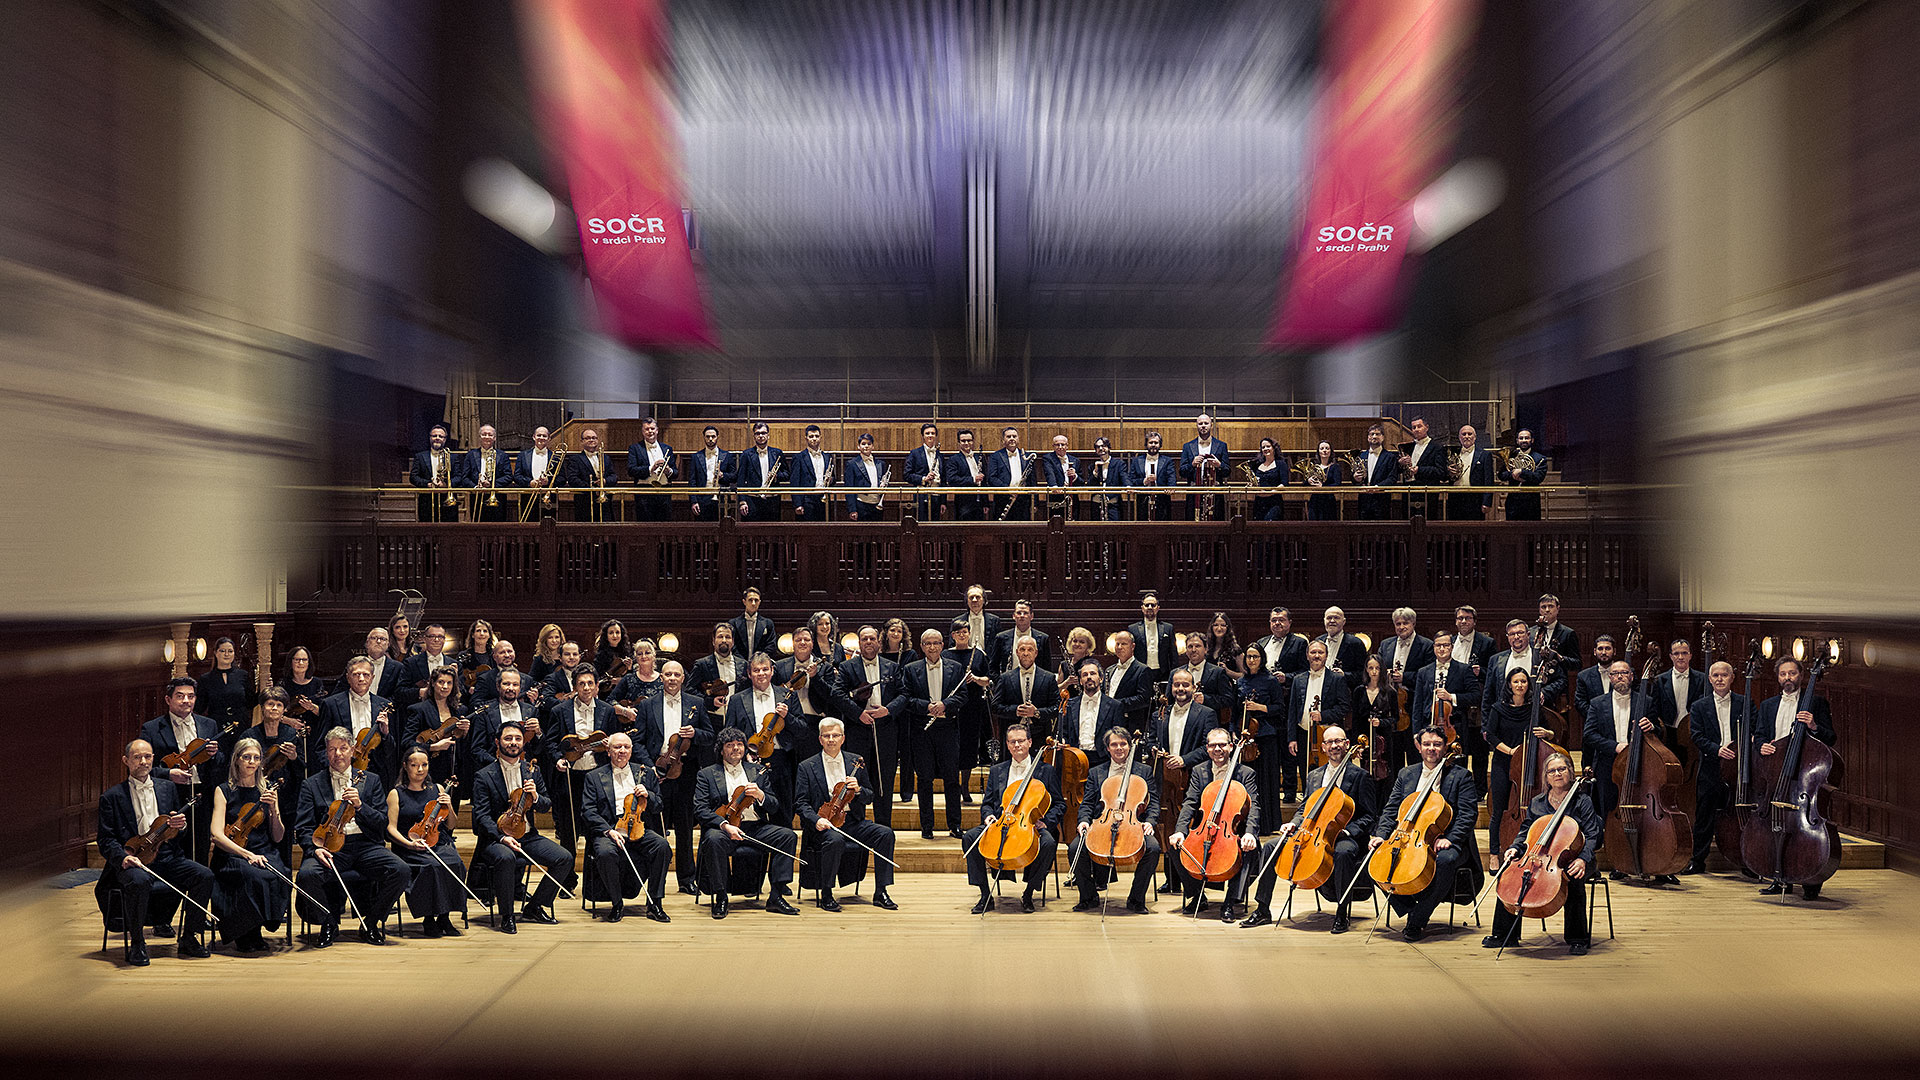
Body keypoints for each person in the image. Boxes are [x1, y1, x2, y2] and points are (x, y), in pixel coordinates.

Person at [1243, 725, 1377, 931]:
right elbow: (1305, 808)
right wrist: (1293, 823)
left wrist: (1348, 831)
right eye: (1329, 742)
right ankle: (1262, 910)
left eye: (1338, 741)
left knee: (1343, 852)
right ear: (1323, 747)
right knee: (1270, 846)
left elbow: (1369, 816)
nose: (1334, 746)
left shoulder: (1360, 776)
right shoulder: (1314, 775)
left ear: (1347, 744)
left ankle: (1342, 913)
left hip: (1344, 835)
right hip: (1312, 832)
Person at [97, 738, 218, 966]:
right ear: (126, 761)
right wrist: (124, 858)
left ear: (153, 758)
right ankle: (137, 943)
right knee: (139, 880)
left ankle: (189, 937)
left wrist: (179, 826)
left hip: (166, 857)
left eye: (147, 756)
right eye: (137, 757)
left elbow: (174, 832)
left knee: (204, 875)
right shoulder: (112, 796)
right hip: (134, 860)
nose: (143, 761)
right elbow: (105, 840)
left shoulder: (167, 788)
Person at [294, 727, 408, 947]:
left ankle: (371, 923)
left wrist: (360, 806)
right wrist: (315, 849)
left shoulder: (371, 780)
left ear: (353, 750)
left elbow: (381, 823)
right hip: (330, 848)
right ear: (326, 753)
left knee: (401, 870)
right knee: (307, 875)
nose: (338, 754)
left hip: (365, 846)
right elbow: (303, 827)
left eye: (343, 748)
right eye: (332, 749)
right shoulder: (312, 784)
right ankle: (329, 923)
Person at [1370, 726, 1481, 941]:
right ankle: (1411, 908)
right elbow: (1391, 809)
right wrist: (1381, 835)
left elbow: (1468, 814)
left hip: (1447, 839)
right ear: (1418, 747)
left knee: (1445, 860)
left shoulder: (1461, 776)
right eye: (1427, 744)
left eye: (1437, 744)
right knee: (1374, 859)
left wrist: (1451, 839)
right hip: (1409, 837)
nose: (1431, 748)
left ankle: (1418, 920)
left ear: (1445, 747)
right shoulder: (1406, 774)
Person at [1484, 752, 1597, 954]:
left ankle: (1577, 938)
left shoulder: (1582, 801)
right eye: (1552, 771)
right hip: (1540, 856)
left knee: (1573, 877)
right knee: (1509, 876)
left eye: (1562, 769)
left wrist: (1582, 859)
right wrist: (1514, 847)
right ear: (1546, 777)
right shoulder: (1537, 802)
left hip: (1574, 857)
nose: (1557, 774)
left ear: (1570, 772)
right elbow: (1526, 831)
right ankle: (1504, 935)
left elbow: (1592, 835)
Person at [469, 721, 571, 933]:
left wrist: (535, 796)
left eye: (517, 738)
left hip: (527, 835)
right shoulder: (484, 775)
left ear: (523, 742)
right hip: (496, 838)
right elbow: (481, 816)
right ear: (497, 742)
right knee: (506, 858)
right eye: (508, 738)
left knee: (564, 858)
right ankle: (507, 915)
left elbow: (546, 805)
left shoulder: (532, 771)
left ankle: (535, 907)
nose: (513, 743)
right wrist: (501, 837)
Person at [1753, 657, 1837, 899]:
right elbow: (1759, 735)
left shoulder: (1816, 703)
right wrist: (1762, 745)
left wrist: (1814, 726)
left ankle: (1810, 880)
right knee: (1775, 825)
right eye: (1783, 674)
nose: (1787, 678)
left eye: (1792, 673)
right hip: (1776, 773)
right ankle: (1779, 877)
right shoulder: (1768, 705)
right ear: (1777, 677)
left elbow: (1830, 738)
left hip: (1804, 774)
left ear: (1801, 675)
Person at [695, 727, 801, 918]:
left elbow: (774, 806)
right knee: (712, 839)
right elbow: (700, 809)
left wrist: (761, 795)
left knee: (787, 836)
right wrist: (725, 825)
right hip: (724, 828)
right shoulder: (707, 774)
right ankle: (721, 897)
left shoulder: (757, 771)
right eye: (730, 745)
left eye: (739, 744)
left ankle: (776, 896)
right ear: (721, 750)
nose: (736, 748)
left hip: (755, 828)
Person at [796, 718, 898, 911]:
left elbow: (870, 796)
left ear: (843, 738)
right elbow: (800, 803)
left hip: (852, 821)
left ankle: (881, 891)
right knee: (835, 840)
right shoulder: (806, 766)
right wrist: (817, 820)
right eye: (826, 736)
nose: (831, 739)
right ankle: (827, 893)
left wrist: (858, 790)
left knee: (885, 834)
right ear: (820, 739)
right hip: (824, 824)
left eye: (835, 735)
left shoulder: (855, 762)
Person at [964, 723, 1063, 914]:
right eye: (1012, 742)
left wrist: (1045, 822)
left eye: (1021, 741)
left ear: (1030, 742)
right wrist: (988, 816)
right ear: (1007, 745)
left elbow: (1059, 804)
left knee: (1048, 843)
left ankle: (1029, 892)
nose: (1017, 745)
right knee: (970, 837)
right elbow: (987, 803)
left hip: (1031, 824)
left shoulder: (1046, 770)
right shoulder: (997, 770)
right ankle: (985, 895)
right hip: (1001, 823)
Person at [1168, 726, 1260, 920]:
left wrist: (1250, 833)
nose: (1218, 749)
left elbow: (1254, 806)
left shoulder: (1246, 773)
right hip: (1206, 827)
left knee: (1249, 849)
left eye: (1222, 745)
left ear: (1231, 747)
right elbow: (1190, 802)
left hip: (1234, 829)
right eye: (1213, 745)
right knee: (1176, 847)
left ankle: (1230, 901)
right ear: (1207, 748)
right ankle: (1197, 895)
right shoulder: (1199, 771)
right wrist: (1180, 831)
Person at [208, 738, 290, 953]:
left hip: (263, 851)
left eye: (256, 758)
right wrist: (246, 854)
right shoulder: (224, 790)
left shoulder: (267, 790)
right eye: (246, 757)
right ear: (236, 760)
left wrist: (273, 810)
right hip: (232, 854)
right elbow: (216, 834)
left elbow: (278, 836)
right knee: (252, 875)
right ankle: (244, 932)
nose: (252, 762)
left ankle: (257, 929)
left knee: (280, 873)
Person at [579, 731, 672, 923]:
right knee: (605, 852)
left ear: (631, 750)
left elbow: (659, 806)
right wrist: (608, 831)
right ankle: (616, 903)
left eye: (626, 747)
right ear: (608, 751)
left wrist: (649, 795)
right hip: (610, 829)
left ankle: (655, 903)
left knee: (662, 846)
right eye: (617, 747)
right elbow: (588, 811)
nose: (622, 750)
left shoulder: (645, 773)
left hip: (638, 828)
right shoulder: (593, 777)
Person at [632, 659, 708, 893]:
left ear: (683, 678)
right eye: (668, 674)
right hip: (658, 773)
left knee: (685, 827)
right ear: (661, 678)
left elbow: (710, 736)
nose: (672, 678)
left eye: (676, 674)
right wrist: (650, 767)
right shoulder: (648, 705)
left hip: (686, 773)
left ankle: (687, 879)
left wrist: (695, 733)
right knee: (656, 827)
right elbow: (638, 741)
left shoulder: (697, 703)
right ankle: (657, 880)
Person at [1069, 726, 1161, 913]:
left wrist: (1150, 822)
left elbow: (1153, 803)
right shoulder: (1096, 772)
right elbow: (1087, 803)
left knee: (1153, 848)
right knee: (1074, 848)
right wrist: (1084, 821)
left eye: (1123, 744)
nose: (1119, 748)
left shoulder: (1144, 771)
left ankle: (1136, 899)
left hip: (1134, 824)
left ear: (1129, 746)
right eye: (1114, 745)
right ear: (1107, 748)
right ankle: (1088, 896)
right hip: (1103, 823)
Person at [1581, 660, 1659, 874]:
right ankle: (1618, 862)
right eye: (1615, 674)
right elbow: (1589, 735)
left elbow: (1659, 733)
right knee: (1611, 813)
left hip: (1640, 765)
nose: (1620, 677)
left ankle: (1647, 858)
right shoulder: (1597, 703)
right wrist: (1615, 746)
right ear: (1610, 678)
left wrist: (1652, 727)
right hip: (1609, 765)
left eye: (1624, 672)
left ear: (1632, 676)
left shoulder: (1646, 701)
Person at [544, 665, 620, 881]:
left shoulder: (607, 710)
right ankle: (567, 879)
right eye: (581, 684)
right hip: (571, 777)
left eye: (590, 683)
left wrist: (609, 745)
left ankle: (593, 880)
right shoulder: (560, 710)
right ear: (575, 686)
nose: (586, 688)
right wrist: (558, 759)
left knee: (596, 829)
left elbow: (616, 740)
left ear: (597, 686)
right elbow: (551, 742)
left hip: (598, 778)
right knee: (569, 831)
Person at [140, 676, 226, 864]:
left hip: (201, 794)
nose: (186, 701)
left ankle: (199, 882)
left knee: (201, 845)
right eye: (180, 696)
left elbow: (220, 763)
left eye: (191, 696)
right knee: (172, 846)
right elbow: (143, 767)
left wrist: (214, 755)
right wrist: (169, 774)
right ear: (168, 699)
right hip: (170, 795)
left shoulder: (209, 724)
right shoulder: (152, 728)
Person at [384, 747, 466, 938]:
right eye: (414, 765)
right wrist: (409, 844)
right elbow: (391, 828)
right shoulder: (396, 793)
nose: (420, 769)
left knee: (455, 863)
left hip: (437, 842)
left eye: (424, 765)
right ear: (405, 766)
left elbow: (451, 824)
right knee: (431, 866)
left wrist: (449, 806)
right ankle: (428, 918)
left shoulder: (437, 789)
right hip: (410, 845)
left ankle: (444, 917)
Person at [834, 625, 908, 828]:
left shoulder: (892, 667)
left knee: (884, 781)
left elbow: (904, 694)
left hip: (885, 731)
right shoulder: (847, 667)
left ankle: (883, 828)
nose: (868, 642)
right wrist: (858, 714)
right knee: (856, 780)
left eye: (872, 639)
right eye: (864, 639)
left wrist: (888, 710)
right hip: (857, 731)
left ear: (878, 642)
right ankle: (857, 826)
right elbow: (837, 694)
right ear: (859, 643)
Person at [1686, 660, 1752, 876]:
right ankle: (1698, 861)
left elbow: (1754, 730)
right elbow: (1697, 736)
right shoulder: (1699, 706)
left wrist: (1739, 747)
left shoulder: (1745, 703)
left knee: (1741, 813)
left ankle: (1746, 861)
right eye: (1715, 675)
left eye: (1724, 675)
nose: (1720, 679)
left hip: (1738, 766)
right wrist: (1717, 750)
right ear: (1710, 679)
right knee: (1704, 815)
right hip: (1711, 766)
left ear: (1732, 678)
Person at [723, 652, 807, 821]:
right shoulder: (737, 699)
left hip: (781, 759)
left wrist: (787, 717)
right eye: (756, 670)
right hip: (750, 760)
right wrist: (744, 753)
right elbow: (729, 733)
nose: (761, 673)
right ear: (749, 674)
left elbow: (803, 730)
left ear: (772, 671)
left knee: (783, 812)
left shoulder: (787, 695)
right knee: (753, 812)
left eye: (765, 669)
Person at [904, 629, 968, 839]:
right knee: (924, 779)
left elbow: (963, 696)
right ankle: (927, 826)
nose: (932, 647)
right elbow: (906, 698)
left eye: (936, 643)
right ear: (921, 647)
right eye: (927, 643)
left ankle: (955, 825)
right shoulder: (911, 669)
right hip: (922, 731)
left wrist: (945, 704)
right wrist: (927, 706)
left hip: (947, 729)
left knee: (952, 779)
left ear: (942, 645)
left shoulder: (955, 668)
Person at [1483, 666, 1554, 855]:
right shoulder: (1498, 708)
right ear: (1509, 685)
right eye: (1516, 681)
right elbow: (1490, 735)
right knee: (1499, 810)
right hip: (1503, 763)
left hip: (1528, 765)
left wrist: (1547, 733)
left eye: (1523, 681)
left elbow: (1551, 732)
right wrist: (1511, 751)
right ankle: (1494, 853)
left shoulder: (1534, 709)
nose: (1520, 685)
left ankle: (1530, 848)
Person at [317, 655, 397, 789]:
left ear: (372, 678)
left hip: (376, 773)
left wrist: (385, 734)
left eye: (366, 675)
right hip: (340, 772)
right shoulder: (330, 704)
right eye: (356, 674)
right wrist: (334, 767)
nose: (361, 679)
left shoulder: (384, 705)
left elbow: (391, 749)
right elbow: (320, 746)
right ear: (348, 677)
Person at [1286, 642, 1353, 800]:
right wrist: (1292, 738)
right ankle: (1309, 803)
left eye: (1320, 652)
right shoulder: (1298, 679)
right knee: (1306, 773)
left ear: (1326, 655)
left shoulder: (1336, 679)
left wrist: (1323, 715)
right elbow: (1292, 711)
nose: (1316, 656)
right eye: (1313, 652)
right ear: (1307, 655)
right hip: (1304, 734)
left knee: (1329, 773)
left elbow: (1344, 707)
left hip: (1327, 735)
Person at [1238, 646, 1288, 834]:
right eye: (1249, 656)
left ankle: (1268, 824)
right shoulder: (1241, 681)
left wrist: (1259, 707)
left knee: (1266, 780)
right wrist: (1235, 732)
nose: (1251, 660)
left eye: (1255, 656)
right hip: (1246, 737)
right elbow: (1236, 711)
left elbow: (1280, 709)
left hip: (1266, 737)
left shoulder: (1270, 681)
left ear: (1262, 658)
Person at [946, 619, 995, 803]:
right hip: (952, 706)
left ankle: (965, 786)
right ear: (953, 635)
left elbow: (988, 680)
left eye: (964, 632)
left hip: (972, 707)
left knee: (968, 747)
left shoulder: (978, 654)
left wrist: (974, 678)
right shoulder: (945, 654)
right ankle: (952, 786)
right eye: (958, 632)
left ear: (969, 633)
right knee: (952, 747)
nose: (961, 635)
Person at [402, 666, 468, 792]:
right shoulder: (419, 709)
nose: (445, 686)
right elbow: (406, 743)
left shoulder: (460, 711)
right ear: (432, 683)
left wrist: (464, 733)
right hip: (428, 771)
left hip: (454, 771)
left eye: (449, 683)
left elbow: (463, 747)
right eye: (441, 682)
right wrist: (433, 747)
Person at [1650, 639, 1707, 775]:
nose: (1680, 657)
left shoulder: (1702, 679)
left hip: (1693, 733)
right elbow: (1654, 709)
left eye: (1684, 653)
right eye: (1676, 653)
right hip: (1669, 733)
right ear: (1671, 656)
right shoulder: (1659, 680)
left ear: (1690, 655)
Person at [1153, 668, 1221, 772]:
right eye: (1176, 685)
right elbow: (1151, 741)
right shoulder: (1159, 714)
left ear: (1193, 688)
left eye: (1185, 685)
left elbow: (1209, 746)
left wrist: (1184, 760)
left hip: (1193, 772)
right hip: (1164, 772)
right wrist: (1153, 749)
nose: (1180, 688)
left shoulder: (1207, 714)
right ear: (1171, 687)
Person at [195, 637, 254, 752]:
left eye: (230, 651)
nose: (226, 654)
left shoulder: (243, 675)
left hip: (241, 725)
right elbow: (200, 707)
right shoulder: (205, 679)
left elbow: (251, 702)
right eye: (222, 651)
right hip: (217, 727)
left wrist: (265, 687)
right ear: (215, 653)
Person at [1058, 658, 1124, 757]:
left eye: (1093, 673)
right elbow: (1064, 732)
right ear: (1080, 681)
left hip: (1102, 759)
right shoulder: (1069, 705)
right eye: (1085, 675)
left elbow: (1117, 736)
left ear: (1101, 678)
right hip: (1075, 757)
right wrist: (1062, 741)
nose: (1089, 677)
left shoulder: (1115, 706)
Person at [1176, 631, 1241, 722]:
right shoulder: (1176, 673)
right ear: (1186, 650)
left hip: (1209, 722)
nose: (1193, 650)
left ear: (1206, 649)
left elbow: (1228, 700)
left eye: (1197, 646)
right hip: (1181, 720)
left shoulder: (1218, 672)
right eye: (1190, 646)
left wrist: (1206, 699)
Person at [1180, 412, 1232, 520]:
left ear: (1211, 425)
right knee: (1193, 524)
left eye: (1206, 423)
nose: (1203, 426)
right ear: (1196, 426)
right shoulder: (1187, 446)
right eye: (1200, 423)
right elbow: (1182, 472)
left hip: (1215, 494)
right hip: (1194, 493)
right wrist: (1192, 464)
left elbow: (1227, 471)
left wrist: (1219, 465)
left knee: (1216, 524)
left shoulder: (1222, 445)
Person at [1103, 630, 1155, 735]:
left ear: (1132, 646)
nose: (1119, 647)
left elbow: (1143, 699)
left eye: (1124, 644)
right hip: (1108, 722)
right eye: (1117, 644)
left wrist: (1116, 705)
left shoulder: (1143, 670)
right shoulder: (1109, 670)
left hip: (1130, 724)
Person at [1398, 417, 1449, 520]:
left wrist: (1419, 470)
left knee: (1427, 523)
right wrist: (1400, 463)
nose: (1416, 429)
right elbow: (1400, 470)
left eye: (1419, 426)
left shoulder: (1437, 447)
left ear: (1427, 427)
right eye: (1414, 427)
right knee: (1407, 522)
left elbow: (1441, 472)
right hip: (1409, 492)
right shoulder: (1408, 447)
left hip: (1427, 493)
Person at [626, 416, 675, 521]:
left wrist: (668, 471)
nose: (650, 431)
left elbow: (675, 472)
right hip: (644, 493)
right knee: (645, 525)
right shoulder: (635, 448)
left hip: (664, 493)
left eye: (652, 428)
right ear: (642, 432)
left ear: (657, 430)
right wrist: (650, 469)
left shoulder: (667, 448)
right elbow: (631, 470)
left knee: (664, 524)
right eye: (647, 429)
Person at [563, 426, 617, 522]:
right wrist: (591, 488)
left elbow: (614, 476)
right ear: (582, 441)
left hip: (605, 503)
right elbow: (572, 479)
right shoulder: (575, 459)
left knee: (606, 527)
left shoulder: (605, 458)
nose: (591, 440)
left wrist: (604, 481)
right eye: (588, 438)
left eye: (594, 438)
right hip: (584, 503)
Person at [409, 422, 461, 522]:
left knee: (449, 528)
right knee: (427, 527)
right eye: (434, 436)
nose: (437, 438)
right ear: (430, 438)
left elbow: (458, 477)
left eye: (440, 436)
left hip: (447, 499)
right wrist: (427, 484)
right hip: (426, 500)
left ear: (445, 439)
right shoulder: (420, 456)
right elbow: (413, 477)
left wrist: (446, 485)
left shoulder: (453, 457)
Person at [736, 422, 786, 522]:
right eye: (757, 433)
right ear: (754, 436)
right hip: (752, 500)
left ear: (768, 435)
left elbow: (786, 474)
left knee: (772, 529)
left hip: (773, 501)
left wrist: (776, 476)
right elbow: (741, 479)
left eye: (763, 433)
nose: (761, 436)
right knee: (752, 529)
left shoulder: (777, 453)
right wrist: (742, 501)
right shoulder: (746, 454)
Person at [1445, 424, 1497, 521]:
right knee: (1454, 526)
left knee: (1475, 527)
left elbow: (1488, 480)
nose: (1466, 436)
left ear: (1475, 437)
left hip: (1475, 498)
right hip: (1455, 497)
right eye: (1463, 434)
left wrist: (1487, 502)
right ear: (1459, 437)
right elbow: (1445, 476)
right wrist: (1449, 472)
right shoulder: (1453, 453)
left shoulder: (1484, 455)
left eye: (1469, 434)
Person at [464, 423, 513, 521]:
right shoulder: (470, 455)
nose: (487, 437)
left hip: (497, 496)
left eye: (490, 435)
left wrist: (491, 484)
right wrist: (475, 487)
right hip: (477, 496)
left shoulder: (503, 455)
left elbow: (508, 476)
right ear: (479, 437)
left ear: (494, 438)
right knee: (478, 525)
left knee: (498, 525)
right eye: (484, 434)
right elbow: (465, 477)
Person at [685, 425, 736, 520]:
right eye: (707, 436)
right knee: (703, 527)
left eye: (713, 436)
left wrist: (723, 475)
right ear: (704, 437)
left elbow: (734, 476)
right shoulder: (696, 457)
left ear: (717, 437)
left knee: (723, 526)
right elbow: (692, 481)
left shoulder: (727, 455)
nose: (710, 439)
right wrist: (694, 501)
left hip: (722, 498)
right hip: (702, 499)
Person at [1128, 592, 1178, 687]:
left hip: (1163, 673)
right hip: (1141, 672)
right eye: (1147, 605)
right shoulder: (1133, 629)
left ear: (1158, 608)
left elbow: (1173, 654)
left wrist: (1174, 674)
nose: (1150, 607)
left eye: (1153, 605)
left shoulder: (1168, 628)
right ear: (1142, 608)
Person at [402, 622, 459, 706]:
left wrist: (455, 679)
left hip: (447, 708)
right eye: (432, 636)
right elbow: (400, 691)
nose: (436, 640)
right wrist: (420, 692)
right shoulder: (411, 663)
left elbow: (462, 692)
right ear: (425, 639)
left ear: (444, 640)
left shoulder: (454, 664)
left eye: (440, 637)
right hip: (420, 709)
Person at [992, 599, 1054, 675]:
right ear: (1013, 616)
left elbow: (1047, 669)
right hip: (1009, 681)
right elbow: (993, 667)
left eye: (1025, 613)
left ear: (1031, 616)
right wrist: (1001, 681)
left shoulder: (1043, 639)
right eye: (1019, 613)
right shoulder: (1001, 638)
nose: (1022, 616)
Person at [789, 423, 836, 521]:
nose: (814, 439)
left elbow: (833, 478)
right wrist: (798, 504)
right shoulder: (799, 457)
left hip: (823, 499)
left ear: (820, 438)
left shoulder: (827, 457)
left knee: (824, 528)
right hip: (806, 500)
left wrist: (830, 480)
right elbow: (794, 482)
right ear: (806, 438)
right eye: (811, 436)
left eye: (816, 436)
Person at [1316, 607, 1370, 690]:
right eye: (1329, 618)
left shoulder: (1355, 643)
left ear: (1344, 622)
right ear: (1324, 621)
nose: (1332, 621)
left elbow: (1364, 673)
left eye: (1336, 618)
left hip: (1344, 691)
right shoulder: (1318, 641)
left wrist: (1344, 675)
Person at [514, 426, 562, 520]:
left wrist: (548, 481)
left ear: (549, 439)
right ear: (534, 437)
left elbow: (562, 478)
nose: (541, 438)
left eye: (544, 436)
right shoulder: (523, 455)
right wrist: (529, 483)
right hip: (528, 496)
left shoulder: (555, 457)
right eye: (539, 435)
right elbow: (517, 476)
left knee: (548, 524)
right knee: (528, 524)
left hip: (549, 497)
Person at [1352, 423, 1398, 520]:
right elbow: (1354, 478)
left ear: (1383, 437)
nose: (1374, 436)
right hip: (1364, 500)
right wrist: (1356, 478)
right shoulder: (1361, 456)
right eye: (1371, 434)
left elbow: (1392, 478)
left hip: (1381, 500)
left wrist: (1377, 487)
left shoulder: (1390, 457)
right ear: (1368, 437)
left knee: (1381, 527)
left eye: (1377, 434)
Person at [1502, 428, 1549, 521]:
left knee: (1531, 528)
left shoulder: (1540, 459)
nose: (1524, 440)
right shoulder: (1511, 456)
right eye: (1521, 438)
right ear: (1517, 441)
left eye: (1527, 438)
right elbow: (1502, 475)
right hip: (1513, 502)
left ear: (1532, 440)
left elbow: (1538, 477)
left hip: (1531, 503)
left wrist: (1522, 472)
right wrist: (1513, 474)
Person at [1129, 430, 1178, 520]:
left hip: (1162, 500)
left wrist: (1170, 488)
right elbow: (1131, 480)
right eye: (1151, 442)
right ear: (1146, 444)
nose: (1153, 445)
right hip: (1142, 500)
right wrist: (1144, 481)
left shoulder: (1168, 461)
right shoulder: (1136, 461)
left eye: (1156, 442)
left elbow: (1171, 478)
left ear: (1160, 445)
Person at [903, 422, 947, 520]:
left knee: (935, 524)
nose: (930, 435)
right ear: (923, 436)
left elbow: (943, 479)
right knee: (921, 523)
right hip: (921, 496)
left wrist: (943, 502)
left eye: (933, 433)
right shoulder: (915, 453)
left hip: (937, 495)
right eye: (927, 433)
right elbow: (907, 475)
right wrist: (924, 479)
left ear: (936, 436)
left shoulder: (940, 455)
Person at [1253, 607, 1311, 678]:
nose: (1277, 623)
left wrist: (1286, 677)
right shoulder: (1261, 642)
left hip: (1284, 684)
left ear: (1289, 622)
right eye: (1274, 620)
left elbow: (1305, 671)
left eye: (1281, 620)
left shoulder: (1300, 643)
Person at [1572, 636, 1619, 721]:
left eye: (1608, 648)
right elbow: (1580, 702)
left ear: (1614, 651)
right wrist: (1596, 716)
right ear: (1595, 652)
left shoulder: (1626, 673)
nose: (1604, 652)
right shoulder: (1583, 676)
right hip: (1594, 723)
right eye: (1600, 649)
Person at [945, 427, 988, 520]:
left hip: (980, 501)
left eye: (969, 440)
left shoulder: (979, 457)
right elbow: (952, 480)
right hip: (963, 502)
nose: (966, 443)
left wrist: (986, 503)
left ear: (973, 441)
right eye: (963, 441)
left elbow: (984, 482)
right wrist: (973, 479)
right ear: (959, 443)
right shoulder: (953, 460)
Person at [843, 432, 888, 520]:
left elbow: (884, 481)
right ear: (858, 446)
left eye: (869, 444)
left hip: (877, 504)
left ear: (873, 446)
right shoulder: (852, 464)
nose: (866, 446)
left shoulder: (881, 464)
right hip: (861, 505)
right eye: (863, 444)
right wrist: (852, 509)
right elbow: (849, 488)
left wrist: (884, 485)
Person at [1084, 436, 1127, 521]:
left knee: (1114, 527)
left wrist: (1128, 486)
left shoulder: (1119, 464)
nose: (1101, 449)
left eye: (1103, 446)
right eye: (1098, 447)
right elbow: (1089, 486)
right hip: (1096, 504)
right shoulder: (1092, 466)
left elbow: (1124, 478)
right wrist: (1095, 472)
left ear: (1109, 448)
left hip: (1113, 504)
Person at [729, 587, 779, 659]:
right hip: (739, 662)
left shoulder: (768, 623)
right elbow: (732, 645)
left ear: (759, 602)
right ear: (744, 602)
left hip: (761, 662)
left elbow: (771, 645)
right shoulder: (733, 623)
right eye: (750, 600)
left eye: (756, 600)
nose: (753, 603)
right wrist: (742, 662)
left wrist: (758, 660)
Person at [1040, 433, 1081, 519]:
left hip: (1072, 497)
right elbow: (1049, 473)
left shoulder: (1075, 460)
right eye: (1057, 445)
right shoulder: (1048, 458)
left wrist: (1075, 476)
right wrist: (1054, 486)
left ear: (1067, 446)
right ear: (1053, 446)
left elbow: (1081, 481)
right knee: (1056, 522)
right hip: (1056, 496)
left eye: (1063, 444)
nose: (1060, 447)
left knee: (1073, 522)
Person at [1302, 441, 1344, 520]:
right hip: (1315, 500)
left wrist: (1322, 486)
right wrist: (1308, 481)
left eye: (1327, 448)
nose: (1324, 450)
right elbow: (1304, 484)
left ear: (1330, 451)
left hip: (1329, 500)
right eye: (1322, 448)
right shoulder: (1314, 467)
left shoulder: (1335, 467)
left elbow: (1337, 484)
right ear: (1318, 451)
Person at [1248, 438, 1287, 521]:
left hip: (1274, 502)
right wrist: (1251, 485)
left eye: (1268, 446)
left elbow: (1284, 483)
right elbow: (1254, 482)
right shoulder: (1257, 465)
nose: (1265, 449)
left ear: (1274, 448)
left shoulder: (1281, 464)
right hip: (1259, 502)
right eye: (1263, 447)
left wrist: (1269, 493)